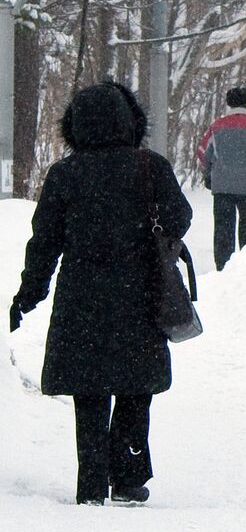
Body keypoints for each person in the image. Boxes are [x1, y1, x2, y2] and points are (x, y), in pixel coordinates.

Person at [10, 81, 192, 506]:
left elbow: (44, 243)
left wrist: (28, 295)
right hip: (139, 294)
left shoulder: (64, 174)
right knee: (134, 387)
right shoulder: (150, 166)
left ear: (77, 126)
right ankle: (128, 479)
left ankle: (90, 483)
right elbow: (179, 216)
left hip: (81, 298)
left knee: (89, 393)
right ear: (130, 122)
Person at [196, 86, 246, 271]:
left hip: (222, 186)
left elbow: (203, 153)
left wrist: (207, 175)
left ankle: (223, 266)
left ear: (228, 103)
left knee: (223, 228)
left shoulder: (216, 127)